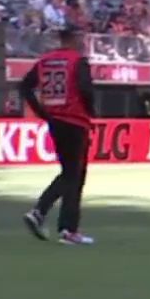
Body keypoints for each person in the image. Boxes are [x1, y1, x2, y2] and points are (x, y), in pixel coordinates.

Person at [18, 27, 97, 244]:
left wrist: (42, 112)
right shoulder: (77, 61)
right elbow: (85, 89)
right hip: (75, 120)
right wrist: (91, 111)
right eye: (80, 38)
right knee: (74, 175)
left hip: (56, 121)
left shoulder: (45, 61)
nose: (83, 42)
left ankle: (56, 222)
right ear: (73, 39)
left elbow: (25, 87)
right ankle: (54, 220)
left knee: (70, 173)